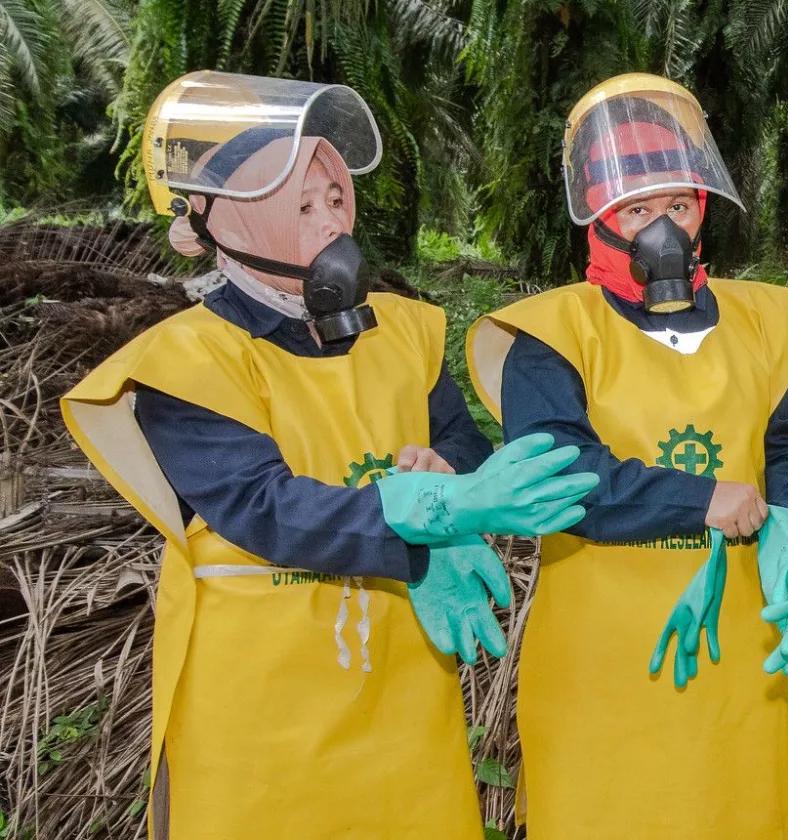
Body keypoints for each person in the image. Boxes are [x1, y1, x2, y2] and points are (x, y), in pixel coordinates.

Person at [60, 71, 595, 839]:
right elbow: (263, 508)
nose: (328, 225)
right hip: (261, 700)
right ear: (216, 223)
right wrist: (427, 520)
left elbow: (459, 438)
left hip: (403, 683)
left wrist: (445, 471)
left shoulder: (404, 330)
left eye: (333, 201)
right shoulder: (184, 363)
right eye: (300, 207)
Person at [465, 73, 788, 839]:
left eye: (676, 204)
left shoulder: (762, 322)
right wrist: (700, 498)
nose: (661, 227)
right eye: (639, 208)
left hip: (742, 641)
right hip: (607, 659)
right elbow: (561, 474)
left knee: (742, 813)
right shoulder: (551, 334)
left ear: (701, 210)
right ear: (599, 217)